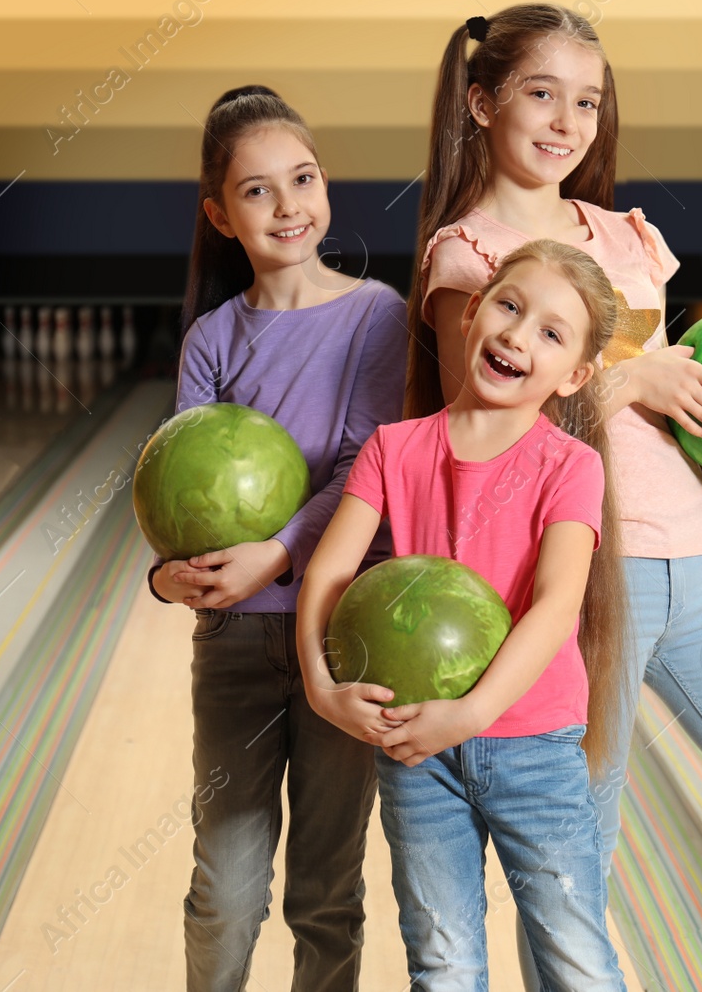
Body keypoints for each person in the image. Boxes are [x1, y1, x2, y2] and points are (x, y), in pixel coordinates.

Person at [407, 5, 702, 992]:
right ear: (480, 102)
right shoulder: (468, 257)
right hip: (584, 587)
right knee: (574, 874)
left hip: (699, 566)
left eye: (587, 101)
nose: (567, 120)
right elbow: (481, 424)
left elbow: (678, 432)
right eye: (540, 93)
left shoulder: (627, 238)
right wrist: (630, 377)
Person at [297, 238, 630, 990]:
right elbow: (330, 570)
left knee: (576, 956)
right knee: (443, 961)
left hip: (535, 744)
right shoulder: (393, 447)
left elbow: (555, 608)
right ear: (474, 311)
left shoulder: (571, 465)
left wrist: (473, 710)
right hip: (416, 745)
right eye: (509, 307)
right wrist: (322, 687)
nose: (518, 334)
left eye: (551, 332)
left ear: (575, 375)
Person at [145, 84, 408, 992]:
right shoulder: (213, 337)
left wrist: (280, 552)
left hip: (340, 631)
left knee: (326, 891)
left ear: (325, 186)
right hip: (235, 641)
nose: (288, 204)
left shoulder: (380, 314)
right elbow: (183, 493)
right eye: (257, 190)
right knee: (225, 887)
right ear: (221, 214)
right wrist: (167, 575)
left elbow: (365, 466)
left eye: (302, 178)